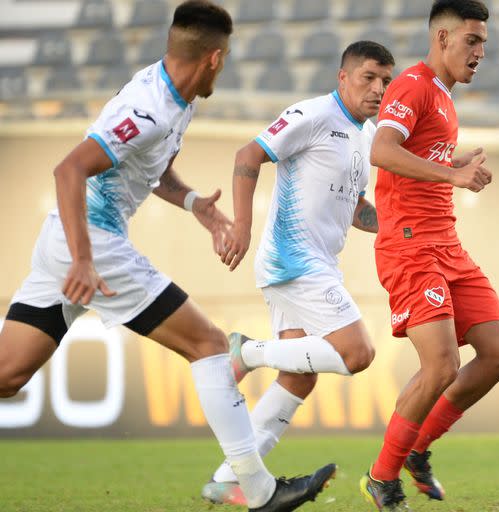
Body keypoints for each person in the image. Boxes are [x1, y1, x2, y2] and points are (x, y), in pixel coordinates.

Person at [0, 2, 334, 510]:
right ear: (215, 58)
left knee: (7, 376)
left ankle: (250, 485)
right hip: (90, 242)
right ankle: (257, 489)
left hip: (65, 243)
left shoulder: (178, 99)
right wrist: (85, 260)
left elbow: (150, 173)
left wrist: (196, 203)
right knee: (210, 344)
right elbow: (68, 170)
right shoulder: (149, 108)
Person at [199, 41, 395, 506]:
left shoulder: (365, 138)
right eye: (368, 77)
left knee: (299, 377)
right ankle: (248, 352)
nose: (378, 89)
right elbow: (249, 155)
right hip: (294, 261)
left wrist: (398, 227)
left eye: (385, 81)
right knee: (356, 352)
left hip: (313, 264)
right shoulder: (311, 115)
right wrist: (241, 226)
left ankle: (231, 477)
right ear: (342, 76)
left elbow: (354, 207)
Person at [359, 1, 499, 510]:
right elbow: (382, 150)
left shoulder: (445, 97)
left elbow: (419, 154)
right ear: (443, 38)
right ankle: (382, 478)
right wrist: (453, 176)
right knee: (442, 365)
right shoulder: (412, 85)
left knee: (498, 352)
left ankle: (418, 447)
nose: (480, 53)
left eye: (484, 44)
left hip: (447, 245)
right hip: (409, 246)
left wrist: (456, 160)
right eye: (473, 41)